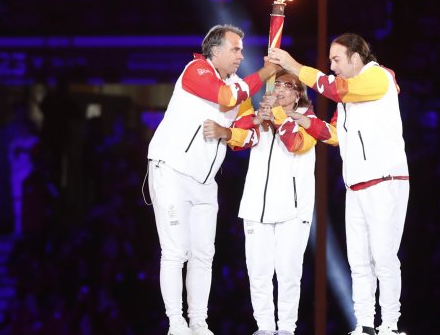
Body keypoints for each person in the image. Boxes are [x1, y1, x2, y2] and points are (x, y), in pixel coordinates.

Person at [268, 33, 409, 335]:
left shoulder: (378, 78)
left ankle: (391, 325)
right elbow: (332, 134)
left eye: (336, 60)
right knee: (358, 260)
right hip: (356, 184)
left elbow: (335, 89)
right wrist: (295, 116)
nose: (332, 66)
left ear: (356, 58)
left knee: (383, 256)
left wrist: (294, 66)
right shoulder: (350, 96)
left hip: (385, 180)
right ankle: (366, 324)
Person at [146, 24, 279, 335]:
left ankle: (198, 323)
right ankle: (176, 323)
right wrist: (263, 73)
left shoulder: (236, 84)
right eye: (235, 49)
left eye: (242, 50)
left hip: (205, 181)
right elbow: (225, 96)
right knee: (176, 250)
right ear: (215, 51)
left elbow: (246, 137)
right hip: (173, 171)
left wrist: (248, 123)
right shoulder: (197, 69)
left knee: (204, 253)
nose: (240, 55)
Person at [203, 70, 336, 335]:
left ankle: (286, 328)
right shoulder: (265, 117)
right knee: (258, 272)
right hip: (255, 205)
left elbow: (296, 144)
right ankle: (264, 327)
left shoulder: (308, 120)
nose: (281, 90)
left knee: (288, 273)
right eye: (277, 85)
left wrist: (275, 115)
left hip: (292, 209)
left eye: (288, 85)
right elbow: (244, 141)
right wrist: (247, 122)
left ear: (298, 93)